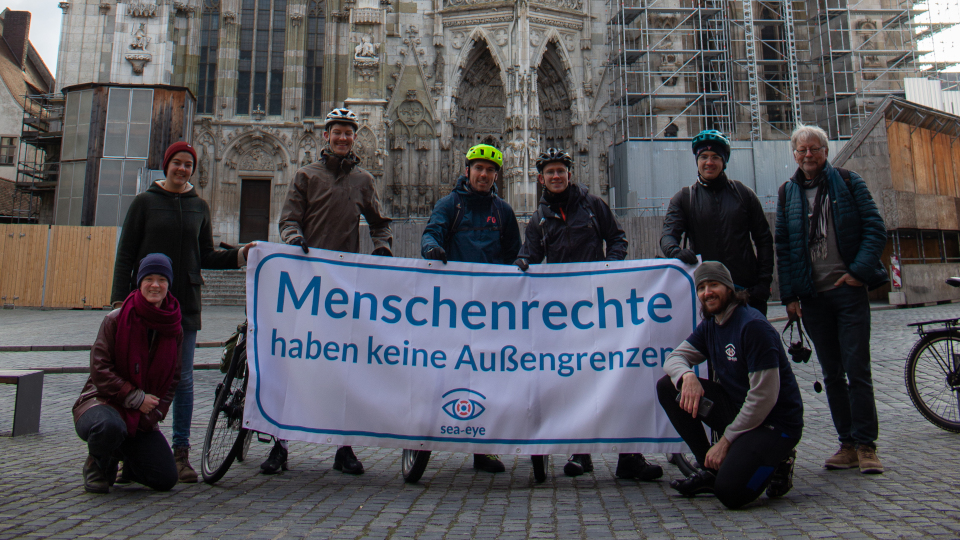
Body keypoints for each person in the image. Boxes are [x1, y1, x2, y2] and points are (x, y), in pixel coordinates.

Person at [111, 142, 254, 483]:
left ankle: (180, 453)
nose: (182, 169)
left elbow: (204, 254)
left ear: (194, 169)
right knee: (136, 377)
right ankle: (131, 452)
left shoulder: (199, 206)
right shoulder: (144, 202)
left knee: (184, 379)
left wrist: (242, 254)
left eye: (188, 164)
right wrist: (119, 301)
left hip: (184, 304)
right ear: (167, 165)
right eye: (176, 162)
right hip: (145, 304)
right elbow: (125, 253)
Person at [515, 148, 661, 483]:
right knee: (575, 383)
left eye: (561, 171)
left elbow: (618, 239)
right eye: (550, 172)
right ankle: (580, 453)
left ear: (570, 174)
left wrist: (610, 270)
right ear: (540, 178)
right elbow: (531, 255)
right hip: (565, 315)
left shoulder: (594, 207)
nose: (556, 177)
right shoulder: (538, 220)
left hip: (600, 308)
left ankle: (630, 456)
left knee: (617, 380)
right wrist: (521, 263)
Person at [274, 107, 393, 476]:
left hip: (341, 289)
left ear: (354, 138)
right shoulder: (306, 176)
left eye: (348, 133)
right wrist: (293, 238)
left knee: (343, 368)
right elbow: (289, 218)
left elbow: (380, 223)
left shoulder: (362, 180)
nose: (343, 138)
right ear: (325, 136)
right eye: (337, 132)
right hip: (304, 284)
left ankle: (344, 447)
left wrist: (383, 248)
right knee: (291, 365)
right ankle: (278, 444)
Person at [776, 124, 888, 474]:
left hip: (847, 292)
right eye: (801, 150)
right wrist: (790, 297)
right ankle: (848, 444)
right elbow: (785, 246)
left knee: (857, 369)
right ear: (794, 155)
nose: (808, 154)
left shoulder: (849, 182)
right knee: (832, 373)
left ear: (825, 150)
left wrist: (858, 272)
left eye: (814, 148)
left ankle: (867, 445)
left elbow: (875, 229)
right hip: (813, 297)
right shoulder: (787, 192)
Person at [657, 262, 804, 509]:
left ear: (729, 288)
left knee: (730, 493)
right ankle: (709, 468)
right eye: (701, 287)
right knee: (668, 387)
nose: (707, 292)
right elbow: (673, 359)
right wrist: (687, 377)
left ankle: (779, 459)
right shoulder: (712, 325)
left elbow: (763, 398)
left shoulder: (752, 326)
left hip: (775, 423)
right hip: (739, 411)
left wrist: (725, 442)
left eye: (713, 284)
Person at [420, 142, 521, 474]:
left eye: (490, 170)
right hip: (452, 306)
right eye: (479, 168)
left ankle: (484, 448)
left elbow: (513, 254)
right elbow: (431, 233)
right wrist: (433, 247)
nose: (484, 174)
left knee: (488, 378)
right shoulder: (451, 205)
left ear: (496, 176)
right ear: (467, 171)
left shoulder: (503, 211)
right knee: (441, 372)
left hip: (490, 310)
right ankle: (424, 437)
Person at [75, 254, 183, 493]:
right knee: (110, 427)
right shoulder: (115, 319)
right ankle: (97, 463)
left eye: (162, 279)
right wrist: (135, 398)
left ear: (169, 284)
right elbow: (100, 369)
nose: (155, 285)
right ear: (139, 282)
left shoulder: (173, 326)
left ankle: (125, 456)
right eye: (149, 279)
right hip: (102, 403)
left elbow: (174, 378)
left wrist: (155, 413)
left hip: (141, 415)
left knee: (165, 478)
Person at [660, 130, 774, 315]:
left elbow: (764, 240)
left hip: (746, 292)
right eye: (703, 157)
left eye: (715, 157)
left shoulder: (743, 194)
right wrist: (676, 252)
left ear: (724, 161)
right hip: (708, 295)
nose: (709, 162)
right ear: (697, 161)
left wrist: (763, 283)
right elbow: (667, 236)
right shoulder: (684, 198)